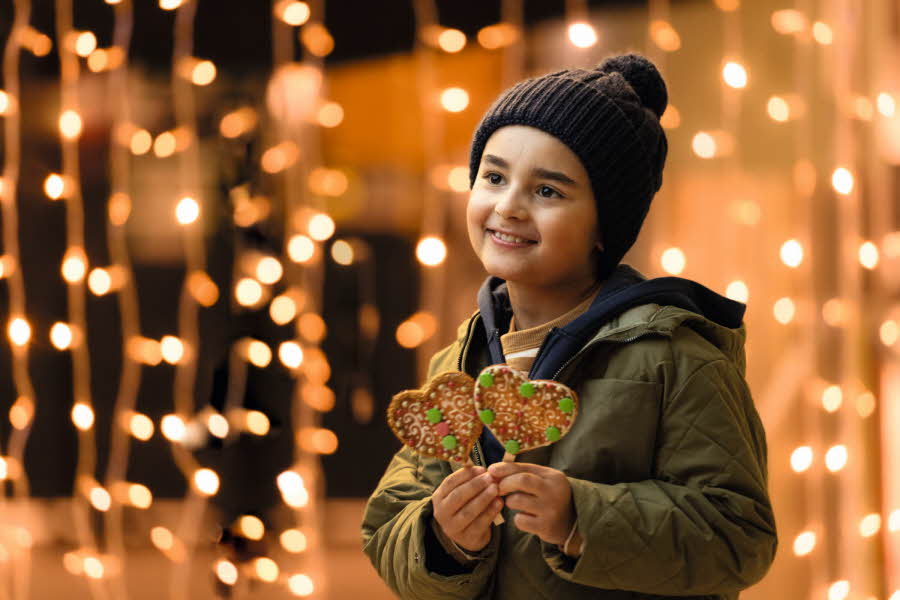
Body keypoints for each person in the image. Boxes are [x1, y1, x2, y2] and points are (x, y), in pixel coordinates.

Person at [361, 52, 777, 599]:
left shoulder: (674, 357)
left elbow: (738, 537)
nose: (508, 206)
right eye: (493, 176)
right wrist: (441, 539)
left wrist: (581, 518)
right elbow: (386, 526)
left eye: (548, 191)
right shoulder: (460, 361)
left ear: (604, 227)